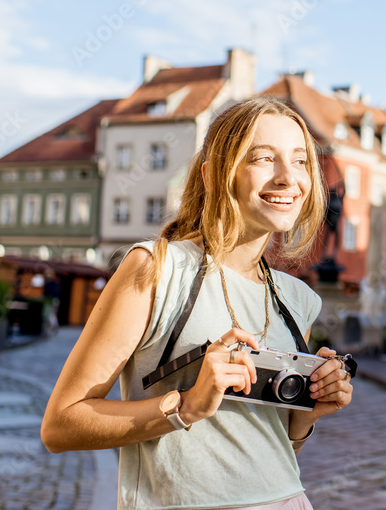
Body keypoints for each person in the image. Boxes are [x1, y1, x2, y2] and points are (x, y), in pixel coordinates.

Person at [41, 97, 354, 510]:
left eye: (300, 162)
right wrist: (185, 406)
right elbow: (61, 425)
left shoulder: (297, 300)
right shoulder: (155, 268)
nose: (288, 178)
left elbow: (270, 450)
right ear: (214, 174)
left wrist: (309, 413)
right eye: (264, 158)